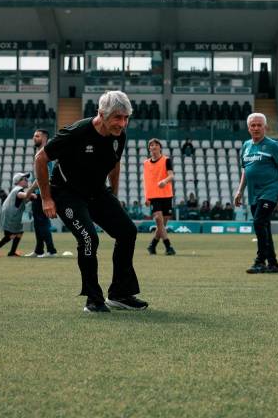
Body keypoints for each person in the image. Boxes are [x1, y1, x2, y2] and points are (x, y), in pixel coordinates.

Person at [34, 90, 147, 313]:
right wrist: (46, 198)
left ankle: (120, 294)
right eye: (117, 117)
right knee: (89, 238)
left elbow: (115, 164)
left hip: (97, 192)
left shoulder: (119, 135)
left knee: (127, 231)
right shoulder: (77, 132)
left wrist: (113, 196)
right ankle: (94, 300)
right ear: (102, 114)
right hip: (67, 193)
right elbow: (41, 158)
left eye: (126, 118)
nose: (122, 123)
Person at [234, 112, 278, 274]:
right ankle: (273, 264)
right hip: (253, 194)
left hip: (270, 191)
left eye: (259, 125)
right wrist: (239, 191)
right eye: (253, 125)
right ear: (248, 128)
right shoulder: (246, 146)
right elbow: (246, 170)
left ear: (265, 127)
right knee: (264, 226)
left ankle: (260, 261)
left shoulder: (272, 145)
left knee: (258, 222)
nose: (256, 128)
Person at [23, 129, 58, 258]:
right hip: (38, 194)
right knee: (38, 223)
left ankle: (51, 250)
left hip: (42, 194)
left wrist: (29, 192)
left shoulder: (46, 154)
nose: (34, 138)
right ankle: (39, 250)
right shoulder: (40, 153)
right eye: (34, 136)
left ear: (44, 138)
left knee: (42, 223)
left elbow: (43, 177)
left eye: (37, 136)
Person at [143, 138, 176, 255]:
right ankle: (168, 246)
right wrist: (146, 197)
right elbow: (146, 181)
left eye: (156, 145)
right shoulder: (146, 163)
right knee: (158, 219)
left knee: (162, 223)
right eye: (151, 145)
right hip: (154, 195)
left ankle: (152, 245)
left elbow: (171, 175)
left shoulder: (166, 160)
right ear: (149, 149)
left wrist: (164, 181)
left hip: (166, 194)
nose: (153, 147)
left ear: (160, 147)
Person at [0, 173, 35, 257]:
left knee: (17, 233)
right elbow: (22, 195)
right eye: (25, 179)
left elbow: (23, 200)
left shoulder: (17, 189)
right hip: (11, 216)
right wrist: (32, 193)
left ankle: (10, 251)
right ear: (19, 181)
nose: (27, 181)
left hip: (11, 215)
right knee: (11, 235)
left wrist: (30, 198)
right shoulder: (18, 189)